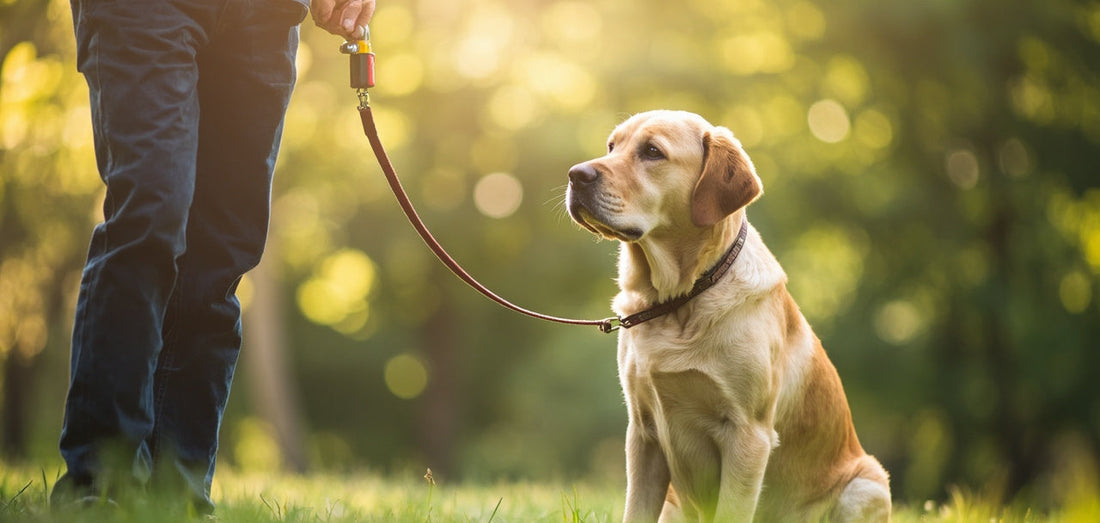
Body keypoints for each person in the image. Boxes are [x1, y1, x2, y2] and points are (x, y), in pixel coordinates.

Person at [51, 0, 375, 514]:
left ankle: (177, 497)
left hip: (264, 15)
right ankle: (99, 487)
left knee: (222, 252)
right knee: (149, 218)